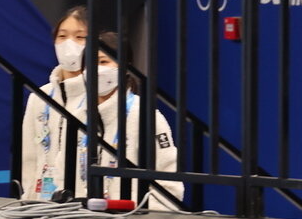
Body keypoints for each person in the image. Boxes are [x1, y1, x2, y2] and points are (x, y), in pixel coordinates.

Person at [20, 12, 183, 208]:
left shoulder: (145, 117)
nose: (96, 70)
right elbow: (62, 176)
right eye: (90, 63)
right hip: (77, 217)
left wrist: (141, 213)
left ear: (125, 67)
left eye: (104, 62)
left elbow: (168, 184)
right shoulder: (78, 118)